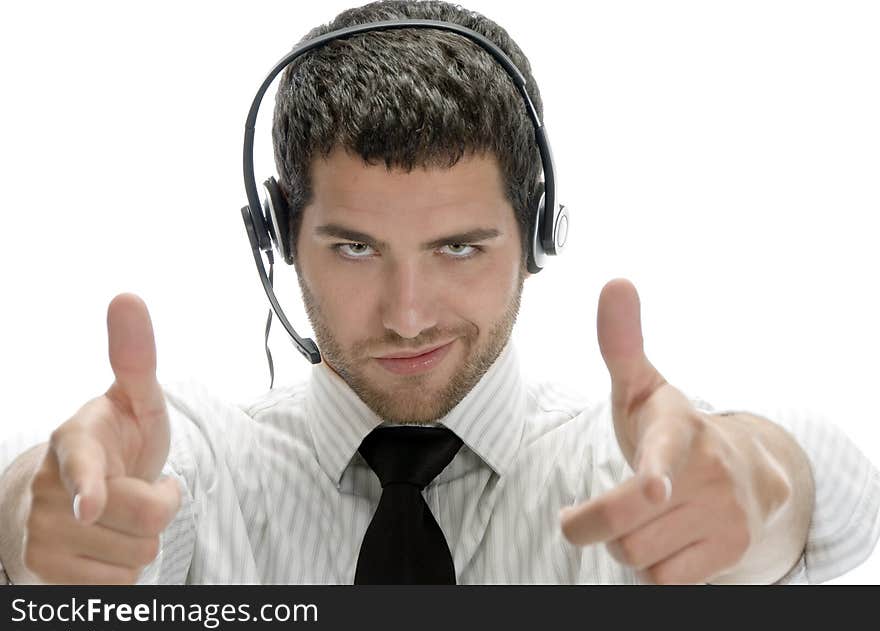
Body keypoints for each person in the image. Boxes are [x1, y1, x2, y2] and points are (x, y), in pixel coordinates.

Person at [0, 0, 877, 585]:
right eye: (353, 247)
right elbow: (53, 515)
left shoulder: (629, 475)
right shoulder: (202, 470)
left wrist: (767, 478)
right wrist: (38, 524)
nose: (407, 312)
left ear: (539, 233)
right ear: (276, 238)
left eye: (459, 246)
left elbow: (838, 499)